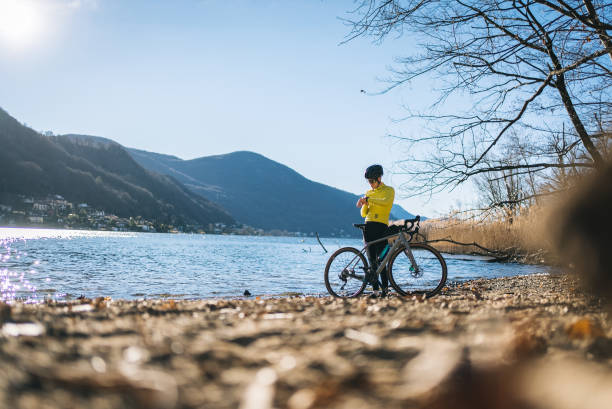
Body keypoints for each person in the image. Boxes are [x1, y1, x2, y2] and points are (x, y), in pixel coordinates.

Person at [356, 164, 395, 293]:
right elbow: (363, 214)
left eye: (372, 181)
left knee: (382, 260)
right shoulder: (369, 193)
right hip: (369, 226)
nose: (370, 184)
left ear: (379, 178)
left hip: (381, 227)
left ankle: (385, 290)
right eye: (369, 182)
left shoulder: (389, 190)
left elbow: (385, 202)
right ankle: (375, 291)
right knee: (372, 261)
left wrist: (369, 199)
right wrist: (364, 204)